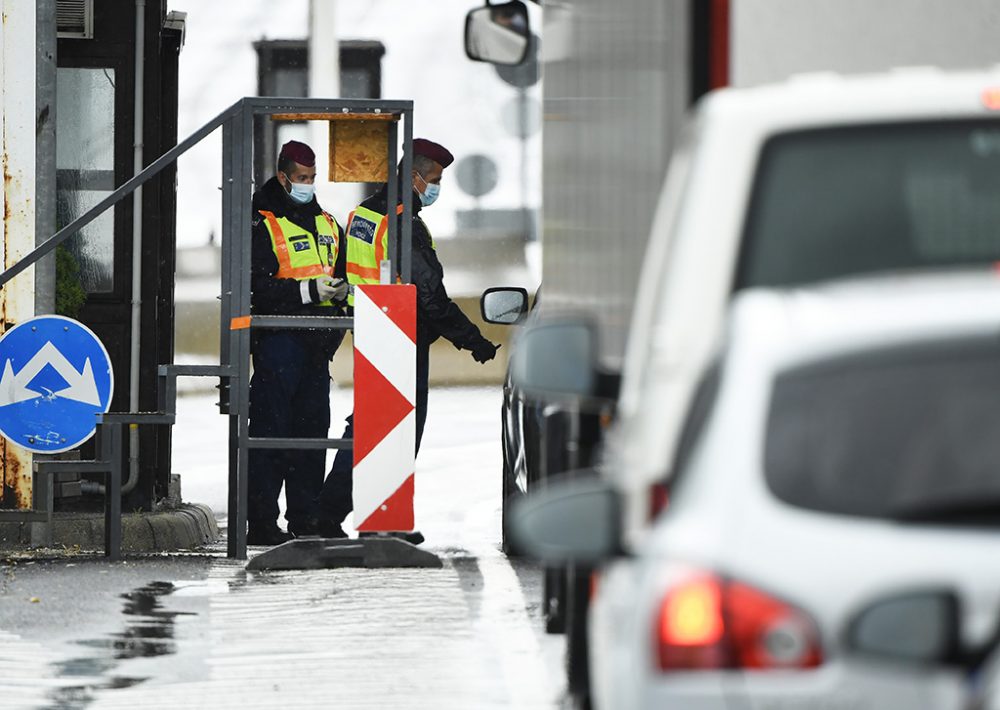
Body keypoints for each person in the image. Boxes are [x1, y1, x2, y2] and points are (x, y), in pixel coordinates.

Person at [316, 138, 500, 541]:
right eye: (433, 179)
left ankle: (343, 515)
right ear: (413, 176)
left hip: (373, 329)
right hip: (400, 335)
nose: (436, 187)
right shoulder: (401, 221)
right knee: (393, 430)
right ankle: (358, 518)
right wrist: (472, 340)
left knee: (369, 427)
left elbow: (351, 275)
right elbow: (429, 293)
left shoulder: (364, 214)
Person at [247, 140, 348, 546]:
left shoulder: (327, 222)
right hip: (278, 341)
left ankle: (305, 518)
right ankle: (261, 523)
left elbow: (341, 274)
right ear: (284, 176)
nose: (308, 184)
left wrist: (337, 297)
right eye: (301, 178)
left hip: (316, 346)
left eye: (312, 177)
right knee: (272, 434)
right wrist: (309, 291)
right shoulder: (260, 220)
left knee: (311, 434)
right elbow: (255, 286)